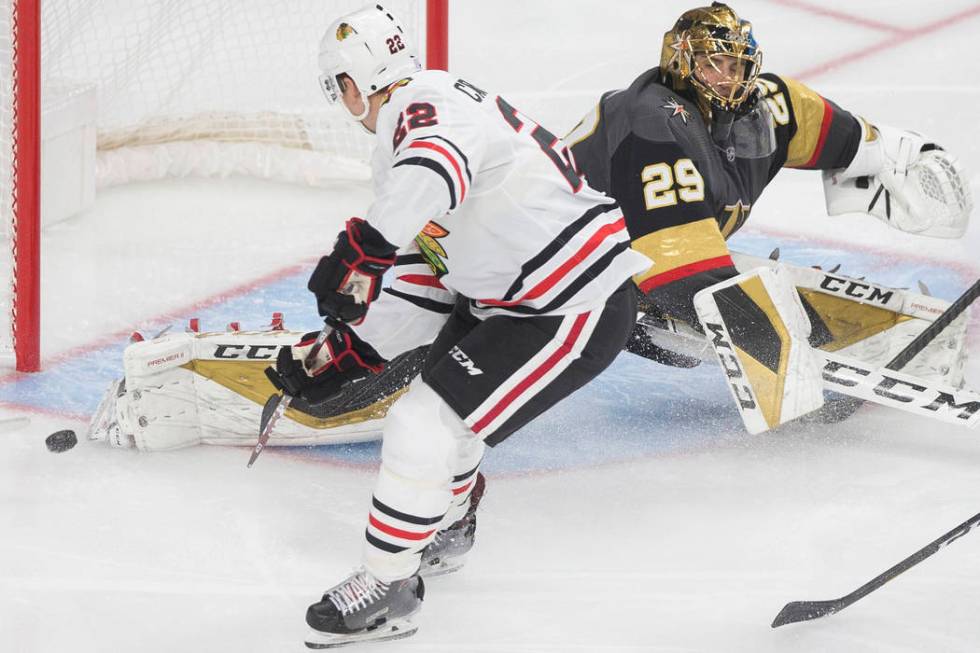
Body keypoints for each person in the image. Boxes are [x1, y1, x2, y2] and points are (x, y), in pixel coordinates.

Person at [272, 4, 651, 647]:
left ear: (351, 82)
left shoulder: (425, 103)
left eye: (338, 88)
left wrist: (365, 249)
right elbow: (424, 284)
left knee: (424, 420)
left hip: (569, 303)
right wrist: (343, 354)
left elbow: (434, 163)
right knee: (447, 413)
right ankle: (446, 523)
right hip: (512, 300)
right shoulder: (422, 123)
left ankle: (390, 586)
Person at [565, 2, 972, 430]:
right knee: (659, 337)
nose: (727, 78)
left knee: (690, 314)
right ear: (682, 63)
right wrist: (783, 348)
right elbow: (678, 272)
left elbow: (855, 144)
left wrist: (907, 161)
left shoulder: (769, 106)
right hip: (563, 269)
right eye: (711, 64)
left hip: (645, 246)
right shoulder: (655, 123)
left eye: (737, 65)